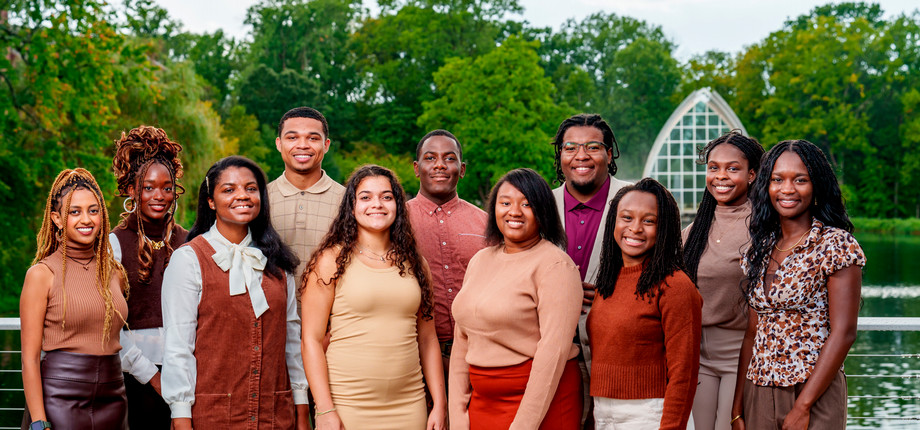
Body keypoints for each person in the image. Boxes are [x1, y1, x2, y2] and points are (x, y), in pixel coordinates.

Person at [161, 156, 309, 429]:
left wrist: (301, 408)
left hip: (276, 416)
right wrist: (180, 415)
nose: (242, 195)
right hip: (213, 416)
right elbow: (178, 347)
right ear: (211, 201)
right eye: (229, 190)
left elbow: (291, 342)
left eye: (251, 189)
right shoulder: (188, 260)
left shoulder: (278, 262)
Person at [731, 140, 865, 429]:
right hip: (759, 388)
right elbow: (752, 334)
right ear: (767, 186)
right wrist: (737, 406)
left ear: (816, 185)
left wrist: (803, 406)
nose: (787, 189)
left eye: (800, 180)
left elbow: (844, 333)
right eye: (777, 179)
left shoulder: (835, 245)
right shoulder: (760, 249)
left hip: (814, 391)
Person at [301, 165, 447, 430]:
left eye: (386, 197)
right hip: (347, 404)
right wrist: (324, 409)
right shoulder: (330, 261)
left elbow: (427, 339)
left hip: (409, 404)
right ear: (352, 206)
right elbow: (310, 340)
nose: (376, 204)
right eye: (366, 197)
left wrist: (440, 404)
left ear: (398, 205)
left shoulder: (416, 264)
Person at [450, 168, 583, 430]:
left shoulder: (556, 266)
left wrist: (524, 425)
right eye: (505, 203)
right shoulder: (480, 260)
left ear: (543, 212)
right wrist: (457, 413)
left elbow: (552, 354)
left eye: (527, 204)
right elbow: (462, 339)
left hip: (542, 403)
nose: (514, 212)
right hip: (483, 402)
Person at [588, 178, 702, 429]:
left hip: (651, 413)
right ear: (613, 222)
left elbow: (684, 372)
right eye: (626, 218)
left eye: (648, 221)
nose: (635, 228)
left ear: (664, 229)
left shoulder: (675, 286)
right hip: (604, 410)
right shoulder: (609, 279)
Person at [20, 168, 129, 430]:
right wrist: (38, 421)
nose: (86, 219)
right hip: (60, 399)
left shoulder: (115, 272)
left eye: (93, 210)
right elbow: (30, 359)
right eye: (74, 211)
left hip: (114, 398)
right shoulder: (41, 275)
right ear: (57, 218)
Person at [549, 113, 631, 427]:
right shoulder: (537, 205)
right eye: (570, 148)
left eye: (593, 147)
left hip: (622, 361)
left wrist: (615, 294)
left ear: (609, 154)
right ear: (560, 156)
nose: (581, 156)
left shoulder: (640, 199)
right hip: (558, 358)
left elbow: (667, 273)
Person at [681, 131, 764, 430]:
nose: (721, 176)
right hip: (696, 354)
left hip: (740, 355)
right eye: (713, 167)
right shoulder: (695, 228)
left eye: (733, 168)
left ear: (752, 174)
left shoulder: (764, 228)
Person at [110, 125, 188, 429]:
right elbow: (108, 326)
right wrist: (153, 377)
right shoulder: (113, 244)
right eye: (149, 187)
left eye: (167, 188)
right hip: (132, 379)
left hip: (184, 376)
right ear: (132, 190)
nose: (160, 196)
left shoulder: (191, 241)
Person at [407, 129, 488, 376]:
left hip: (478, 351)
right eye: (430, 158)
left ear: (462, 169)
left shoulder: (486, 223)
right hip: (414, 355)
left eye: (449, 158)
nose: (440, 165)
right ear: (416, 167)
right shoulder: (396, 221)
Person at [268, 106, 346, 284]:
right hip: (273, 309)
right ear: (279, 144)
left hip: (335, 310)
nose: (302, 145)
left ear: (326, 145)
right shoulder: (259, 200)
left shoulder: (349, 201)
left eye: (313, 138)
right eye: (292, 137)